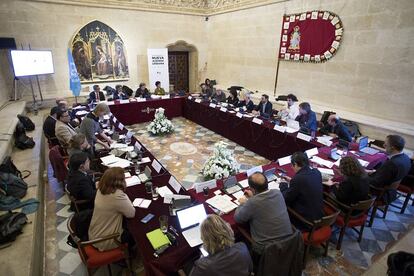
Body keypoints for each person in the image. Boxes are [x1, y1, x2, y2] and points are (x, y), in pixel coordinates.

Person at [234, 172, 292, 247]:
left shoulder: (252, 202)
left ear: (253, 190)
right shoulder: (277, 193)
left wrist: (242, 203)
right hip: (290, 242)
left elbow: (238, 218)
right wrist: (253, 197)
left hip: (267, 250)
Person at [88, 167, 135, 251]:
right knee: (136, 232)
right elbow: (131, 214)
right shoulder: (117, 196)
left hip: (94, 233)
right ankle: (127, 253)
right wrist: (124, 195)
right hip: (107, 239)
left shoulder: (101, 188)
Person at [280, 152, 323, 230]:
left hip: (306, 222)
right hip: (319, 216)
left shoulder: (298, 179)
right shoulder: (317, 172)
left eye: (292, 165)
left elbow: (286, 198)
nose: (292, 168)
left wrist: (283, 185)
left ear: (295, 164)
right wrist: (292, 181)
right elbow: (306, 185)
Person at [368, 135, 411, 203]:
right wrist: (374, 172)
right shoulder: (406, 157)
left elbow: (375, 183)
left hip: (381, 193)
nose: (383, 145)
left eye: (386, 144)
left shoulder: (392, 163)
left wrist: (361, 175)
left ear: (392, 147)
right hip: (390, 190)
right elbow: (388, 174)